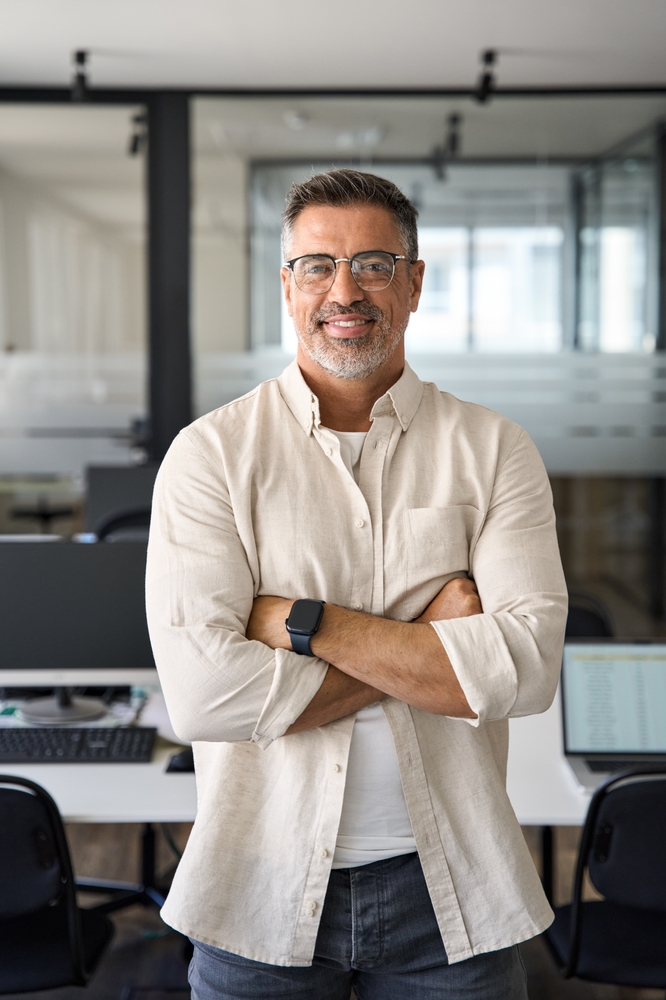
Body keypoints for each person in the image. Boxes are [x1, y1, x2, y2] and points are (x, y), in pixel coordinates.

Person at [146, 168, 568, 999]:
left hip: (453, 886)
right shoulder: (211, 455)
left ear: (413, 283)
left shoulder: (494, 449)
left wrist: (306, 623)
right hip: (255, 883)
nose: (345, 291)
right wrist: (432, 640)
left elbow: (524, 670)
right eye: (317, 266)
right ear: (287, 285)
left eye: (374, 264)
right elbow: (205, 697)